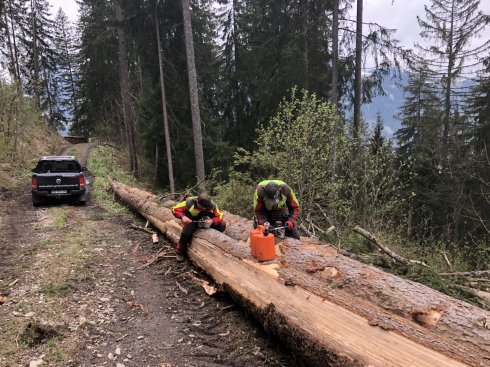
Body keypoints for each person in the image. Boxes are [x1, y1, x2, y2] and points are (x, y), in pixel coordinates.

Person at [171, 193, 226, 261]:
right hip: (192, 220)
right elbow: (174, 209)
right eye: (201, 207)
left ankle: (217, 244)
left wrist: (212, 220)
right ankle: (179, 252)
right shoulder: (189, 203)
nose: (203, 209)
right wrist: (183, 217)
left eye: (205, 208)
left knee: (222, 224)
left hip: (205, 220)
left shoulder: (212, 206)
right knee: (186, 232)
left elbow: (220, 215)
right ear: (197, 202)